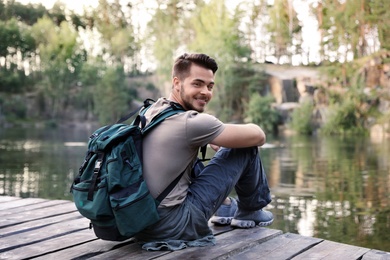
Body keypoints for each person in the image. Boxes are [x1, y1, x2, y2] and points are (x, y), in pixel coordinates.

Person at [135, 53, 273, 251]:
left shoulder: (151, 111)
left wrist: (211, 135)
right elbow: (259, 136)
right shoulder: (191, 123)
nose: (205, 92)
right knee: (246, 147)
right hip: (173, 225)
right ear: (177, 82)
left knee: (187, 157)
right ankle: (250, 210)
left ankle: (225, 205)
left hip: (141, 220)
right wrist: (219, 131)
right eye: (197, 84)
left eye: (209, 86)